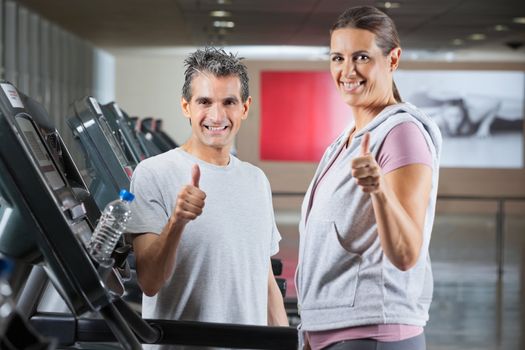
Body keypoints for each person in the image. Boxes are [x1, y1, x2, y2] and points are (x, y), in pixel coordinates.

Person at [295, 6, 442, 350]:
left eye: (361, 57)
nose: (347, 71)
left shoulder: (402, 133)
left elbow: (406, 253)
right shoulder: (345, 140)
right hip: (334, 329)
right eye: (337, 58)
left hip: (370, 332)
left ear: (392, 60)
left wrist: (379, 191)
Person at [126, 47, 288, 349]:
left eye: (229, 102)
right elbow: (149, 281)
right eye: (204, 102)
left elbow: (264, 282)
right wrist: (177, 222)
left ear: (245, 107)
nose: (217, 116)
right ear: (186, 106)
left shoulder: (256, 180)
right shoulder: (153, 173)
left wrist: (285, 340)